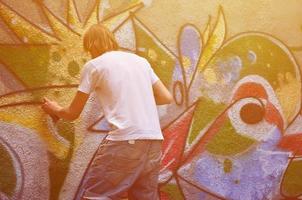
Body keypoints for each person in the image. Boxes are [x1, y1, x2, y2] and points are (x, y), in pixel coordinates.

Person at [41, 23, 173, 200]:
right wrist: (137, 98)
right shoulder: (141, 62)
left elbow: (73, 113)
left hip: (125, 141)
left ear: (92, 45)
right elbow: (166, 97)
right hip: (153, 141)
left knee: (98, 196)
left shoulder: (95, 66)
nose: (89, 53)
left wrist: (55, 109)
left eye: (88, 48)